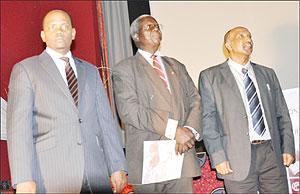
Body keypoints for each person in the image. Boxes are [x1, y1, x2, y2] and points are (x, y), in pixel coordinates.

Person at [6, 9, 127, 193]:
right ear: (43, 35)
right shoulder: (26, 70)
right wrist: (23, 178)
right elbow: (19, 129)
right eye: (52, 27)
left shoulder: (91, 72)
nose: (59, 31)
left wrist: (117, 165)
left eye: (64, 26)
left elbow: (106, 123)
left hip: (95, 174)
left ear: (73, 33)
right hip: (52, 176)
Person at [199, 26, 295, 193]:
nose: (248, 40)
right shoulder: (210, 76)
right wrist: (218, 156)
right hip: (235, 157)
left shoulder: (267, 74)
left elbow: (282, 114)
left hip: (271, 154)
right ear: (228, 45)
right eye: (241, 36)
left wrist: (287, 147)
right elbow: (208, 121)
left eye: (250, 36)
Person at [112, 14, 202, 193]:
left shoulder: (176, 65)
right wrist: (174, 130)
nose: (155, 29)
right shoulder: (125, 69)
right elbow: (129, 110)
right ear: (136, 36)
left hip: (181, 153)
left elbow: (195, 99)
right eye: (149, 27)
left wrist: (188, 132)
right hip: (149, 159)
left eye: (157, 26)